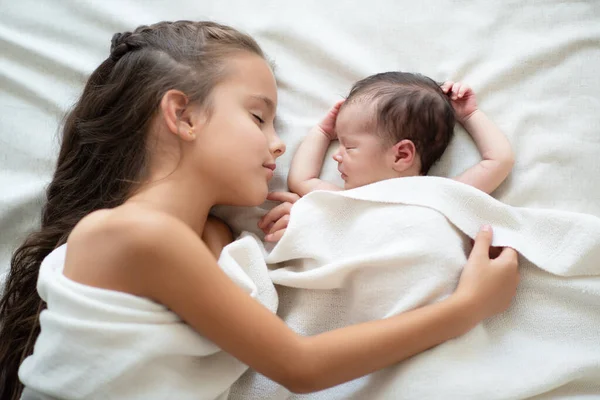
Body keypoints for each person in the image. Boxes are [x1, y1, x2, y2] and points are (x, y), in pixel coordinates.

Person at [0, 21, 519, 399]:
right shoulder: (129, 234)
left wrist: (315, 228)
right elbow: (300, 366)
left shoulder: (219, 238)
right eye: (258, 118)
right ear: (182, 115)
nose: (277, 145)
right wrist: (466, 308)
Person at [285, 72, 514, 202]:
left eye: (349, 146)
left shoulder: (439, 194)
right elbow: (300, 181)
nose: (337, 155)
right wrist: (322, 132)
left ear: (401, 155)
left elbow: (500, 160)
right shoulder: (353, 198)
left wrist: (470, 114)